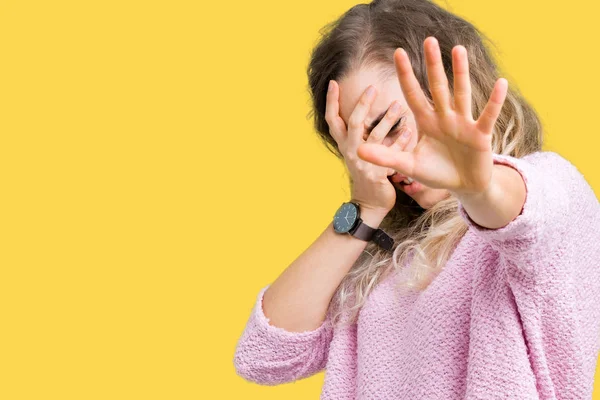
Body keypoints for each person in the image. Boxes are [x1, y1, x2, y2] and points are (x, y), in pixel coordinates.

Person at [233, 0, 600, 398]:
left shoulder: (551, 189)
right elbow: (265, 357)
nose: (384, 154)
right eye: (360, 139)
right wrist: (365, 209)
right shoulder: (383, 258)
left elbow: (525, 212)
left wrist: (478, 187)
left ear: (453, 94)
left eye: (392, 125)